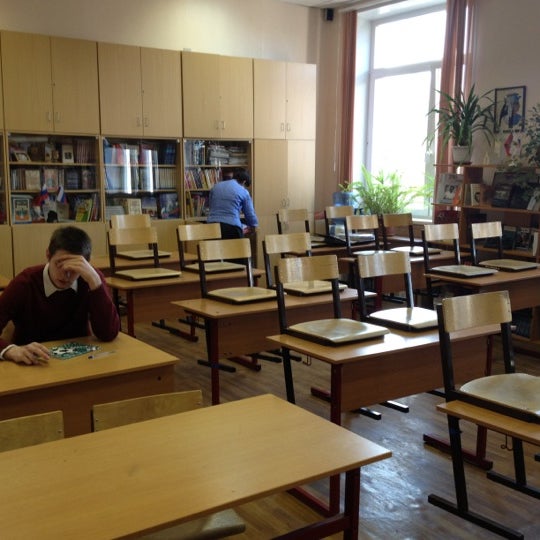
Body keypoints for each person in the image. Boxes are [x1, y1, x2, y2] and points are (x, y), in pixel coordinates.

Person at [0, 225, 120, 366]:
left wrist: (95, 283)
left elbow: (108, 334)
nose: (66, 275)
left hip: (80, 362)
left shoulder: (91, 279)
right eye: (59, 264)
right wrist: (10, 350)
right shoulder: (25, 283)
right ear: (48, 255)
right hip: (33, 363)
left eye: (74, 267)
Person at [207, 169, 258, 239]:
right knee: (238, 245)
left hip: (211, 226)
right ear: (244, 182)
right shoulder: (243, 191)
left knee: (212, 246)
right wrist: (253, 227)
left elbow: (211, 206)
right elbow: (250, 214)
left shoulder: (215, 186)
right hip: (231, 227)